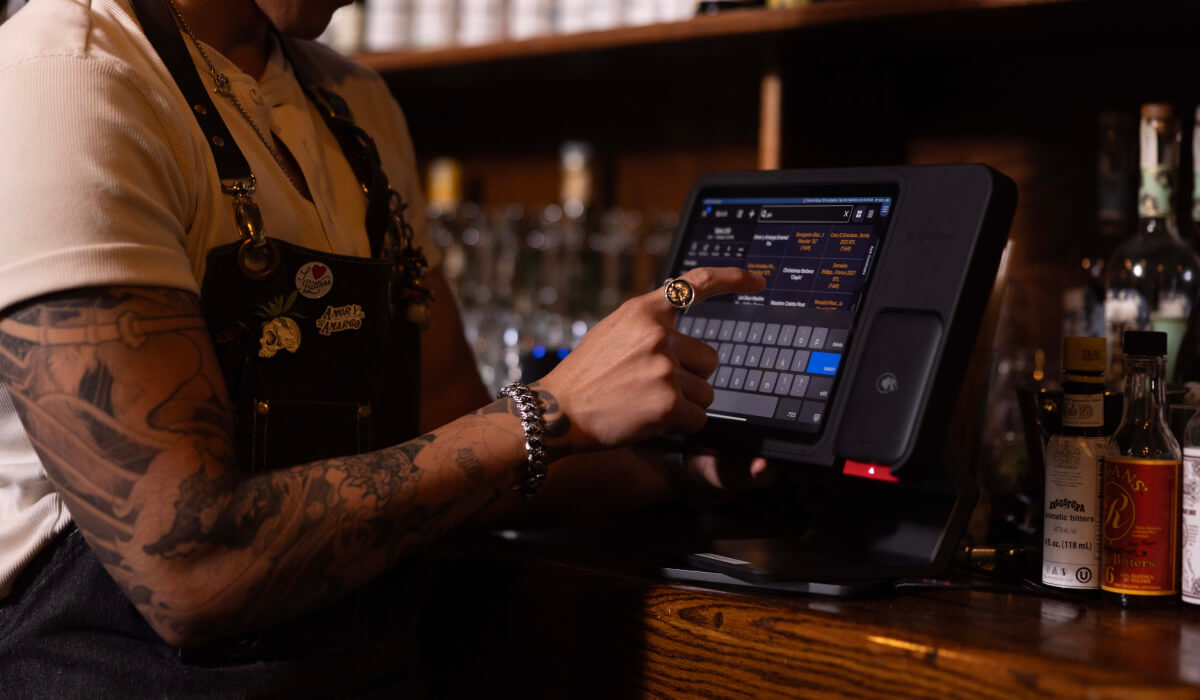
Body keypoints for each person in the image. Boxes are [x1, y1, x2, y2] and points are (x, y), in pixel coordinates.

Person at [0, 0, 765, 693]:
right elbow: (188, 567)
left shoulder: (351, 102)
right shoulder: (66, 79)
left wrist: (688, 470)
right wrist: (553, 409)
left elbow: (456, 448)